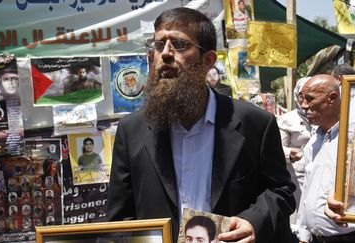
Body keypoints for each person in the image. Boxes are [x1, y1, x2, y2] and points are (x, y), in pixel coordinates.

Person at [107, 7, 295, 243]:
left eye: (179, 44)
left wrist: (253, 222)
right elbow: (119, 219)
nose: (165, 53)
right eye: (158, 45)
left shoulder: (254, 123)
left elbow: (282, 192)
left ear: (208, 60)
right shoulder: (131, 130)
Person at [297, 74, 355, 243]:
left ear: (332, 98)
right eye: (302, 98)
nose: (303, 105)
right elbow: (307, 189)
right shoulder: (313, 141)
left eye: (310, 99)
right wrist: (303, 234)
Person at [277, 77, 314, 233]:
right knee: (297, 220)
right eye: (301, 95)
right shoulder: (287, 120)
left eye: (311, 95)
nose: (306, 100)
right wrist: (290, 154)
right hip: (295, 177)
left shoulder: (323, 117)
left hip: (318, 175)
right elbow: (277, 148)